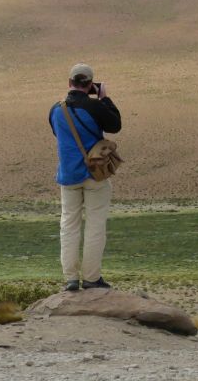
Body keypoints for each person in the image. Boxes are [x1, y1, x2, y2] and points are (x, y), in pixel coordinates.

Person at [48, 63, 122, 291]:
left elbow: (57, 133)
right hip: (95, 174)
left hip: (68, 176)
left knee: (68, 225)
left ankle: (70, 278)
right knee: (95, 226)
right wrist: (105, 99)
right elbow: (115, 125)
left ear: (69, 82)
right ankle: (91, 278)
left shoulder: (55, 110)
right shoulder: (94, 107)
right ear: (90, 84)